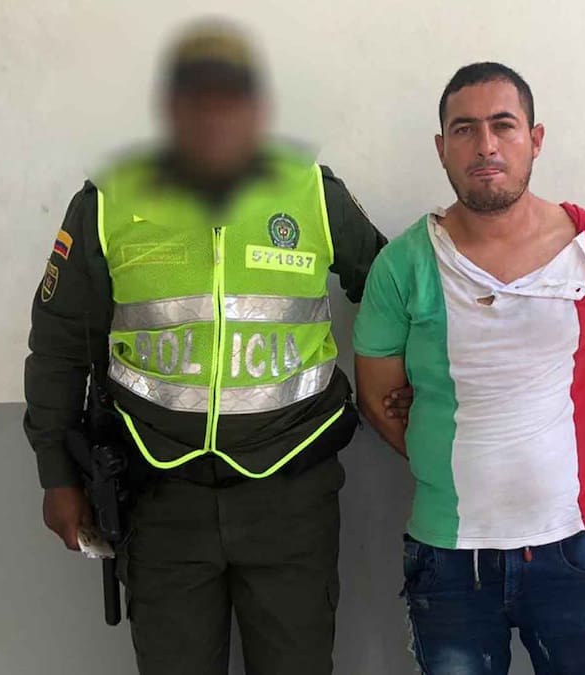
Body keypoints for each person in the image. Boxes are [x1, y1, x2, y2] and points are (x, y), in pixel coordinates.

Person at [23, 20, 386, 675]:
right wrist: (57, 472)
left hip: (292, 491)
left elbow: (389, 290)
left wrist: (394, 391)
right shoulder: (107, 202)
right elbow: (57, 345)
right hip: (159, 493)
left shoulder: (312, 192)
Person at [352, 62, 585, 675]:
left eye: (503, 125)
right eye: (464, 130)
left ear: (535, 139)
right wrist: (446, 451)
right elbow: (378, 399)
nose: (485, 145)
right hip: (450, 558)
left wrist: (556, 436)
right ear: (441, 148)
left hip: (576, 545)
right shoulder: (403, 264)